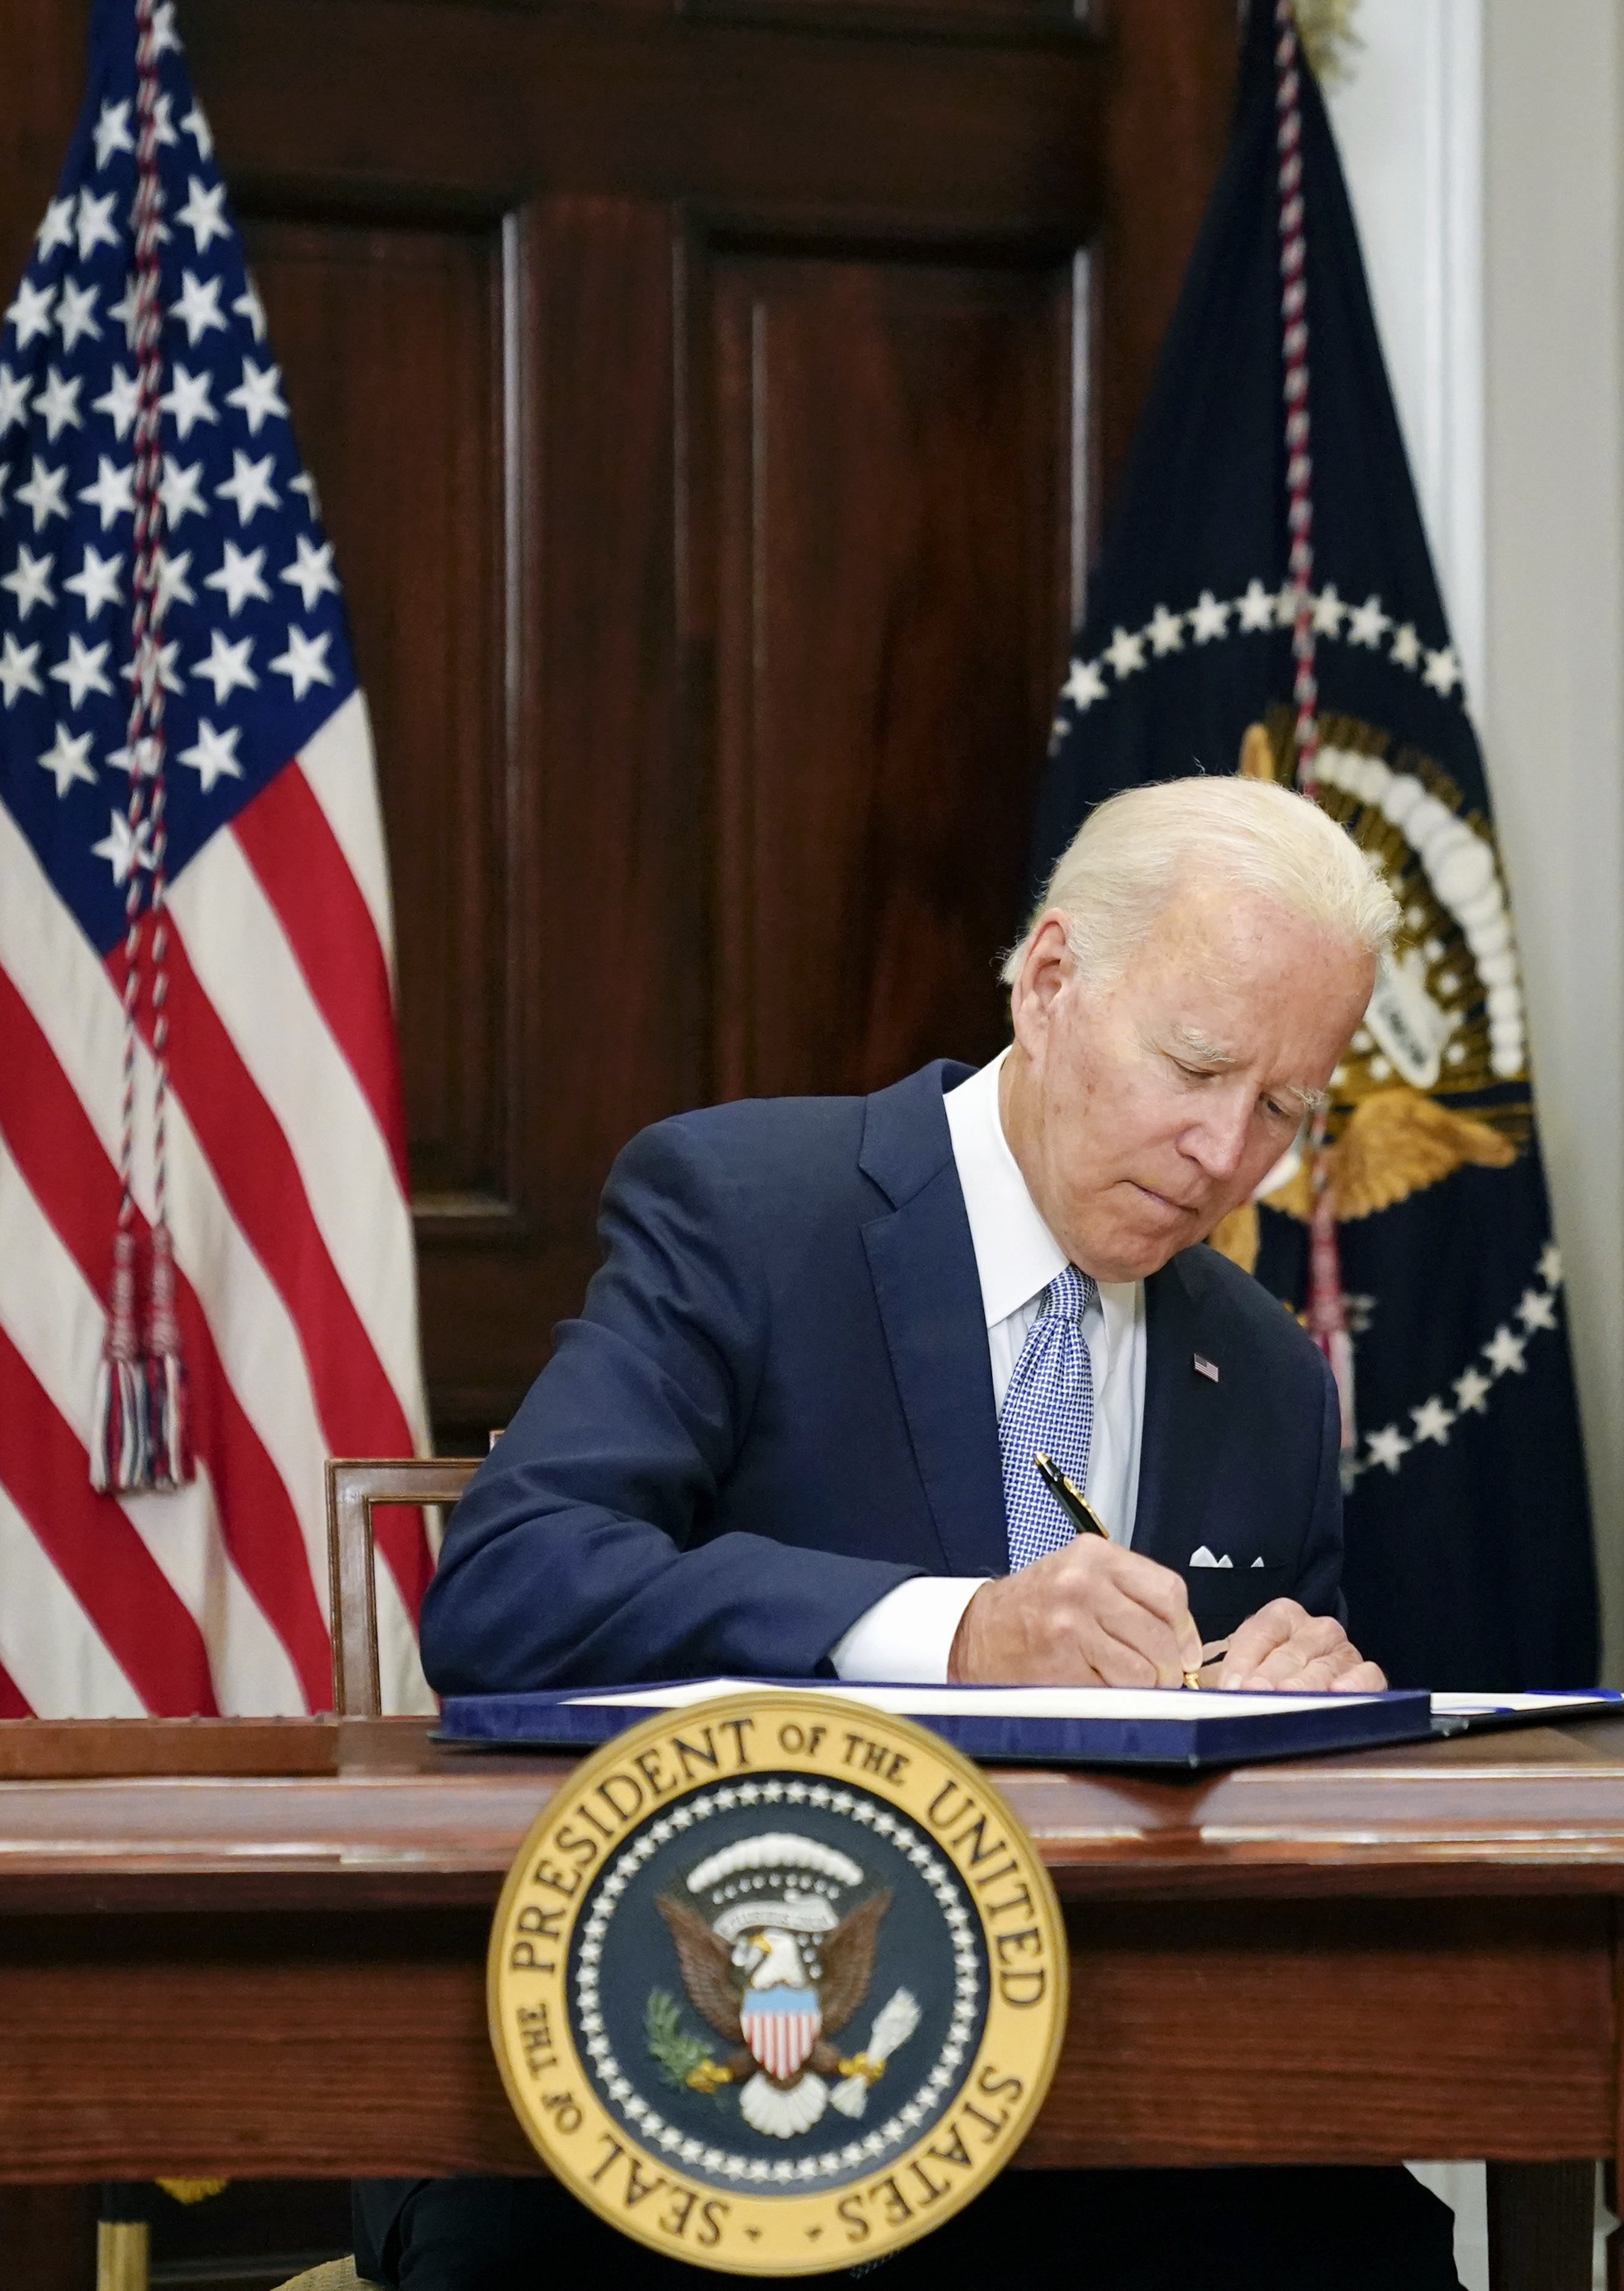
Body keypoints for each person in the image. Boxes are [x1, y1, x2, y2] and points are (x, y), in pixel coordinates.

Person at [366, 772, 1457, 2290]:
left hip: (1107, 2088)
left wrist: (1309, 1704)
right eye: (1196, 1065)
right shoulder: (745, 1210)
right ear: (1052, 978)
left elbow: (1249, 1840)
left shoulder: (1266, 1370)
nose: (1224, 1152)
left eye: (1283, 1106)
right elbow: (508, 1588)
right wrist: (955, 1630)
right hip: (688, 2060)